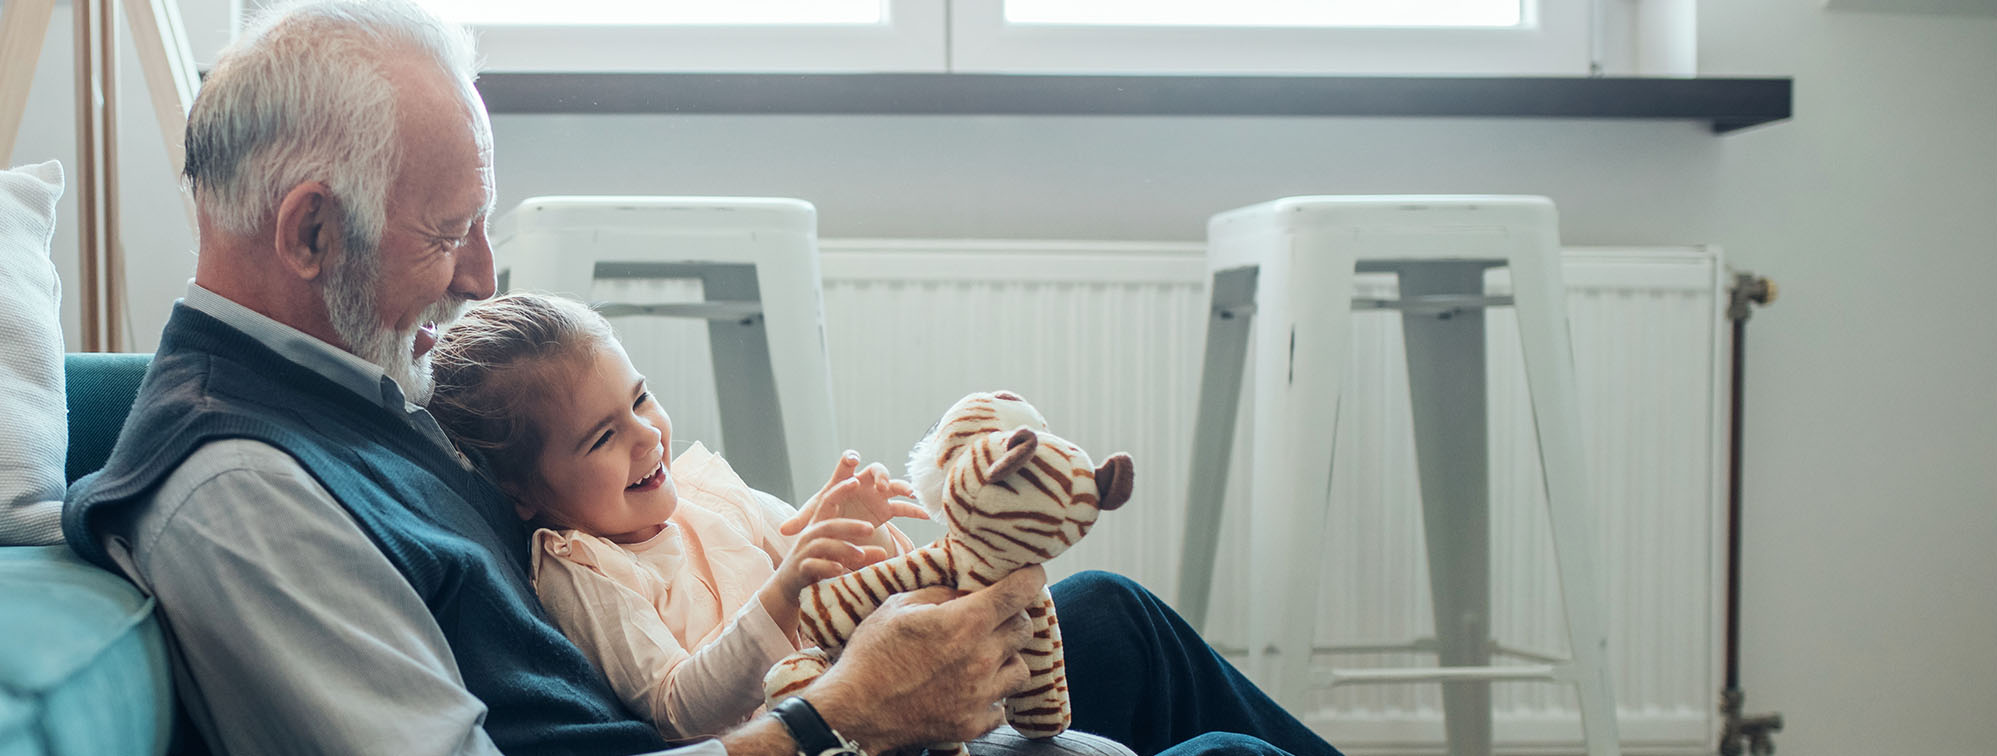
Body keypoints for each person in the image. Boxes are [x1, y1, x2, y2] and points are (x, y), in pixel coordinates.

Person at [60, 2, 1344, 756]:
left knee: (1107, 616)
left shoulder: (352, 375)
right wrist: (837, 714)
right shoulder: (239, 496)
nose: (480, 276)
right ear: (306, 235)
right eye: (449, 233)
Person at [426, 291, 934, 740]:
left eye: (640, 399)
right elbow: (676, 707)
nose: (646, 435)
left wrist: (858, 532)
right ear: (521, 490)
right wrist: (783, 591)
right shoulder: (583, 569)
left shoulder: (707, 496)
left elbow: (844, 598)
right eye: (603, 437)